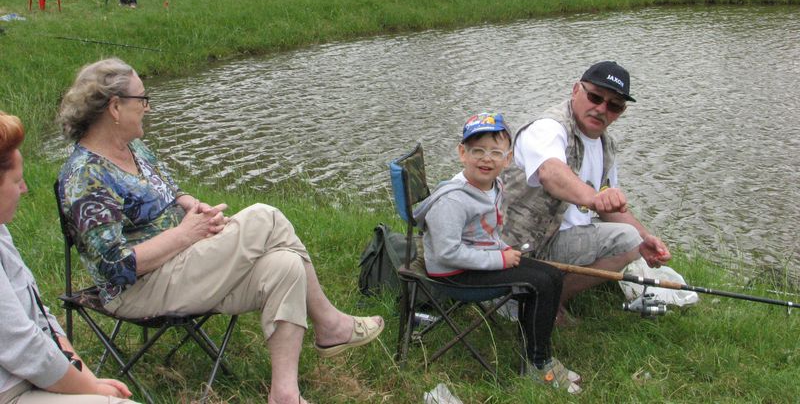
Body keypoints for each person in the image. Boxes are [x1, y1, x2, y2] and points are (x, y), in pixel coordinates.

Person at [55, 59, 384, 404]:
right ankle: (329, 324)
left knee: (285, 265)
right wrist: (187, 234)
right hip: (138, 289)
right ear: (115, 107)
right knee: (265, 217)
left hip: (183, 266)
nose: (148, 107)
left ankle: (285, 394)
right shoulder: (85, 176)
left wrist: (195, 208)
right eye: (142, 99)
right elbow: (115, 267)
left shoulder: (134, 148)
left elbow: (170, 190)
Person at [413, 113, 581, 394]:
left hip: (476, 261)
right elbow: (446, 253)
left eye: (495, 152)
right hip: (454, 275)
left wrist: (502, 249)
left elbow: (485, 234)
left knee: (552, 276)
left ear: (508, 158)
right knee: (538, 284)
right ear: (462, 154)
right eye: (477, 151)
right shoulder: (453, 200)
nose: (486, 159)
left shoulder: (494, 186)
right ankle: (538, 366)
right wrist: (498, 259)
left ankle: (538, 356)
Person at [500, 61, 671, 324]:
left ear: (621, 111)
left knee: (633, 239)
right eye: (595, 97)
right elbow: (550, 173)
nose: (601, 109)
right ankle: (542, 305)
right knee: (626, 239)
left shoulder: (606, 145)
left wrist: (646, 238)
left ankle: (548, 299)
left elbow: (609, 208)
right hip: (523, 245)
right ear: (576, 90)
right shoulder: (549, 127)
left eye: (613, 105)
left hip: (559, 238)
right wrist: (594, 198)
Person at [0, 111, 139, 404]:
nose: (24, 189)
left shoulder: (1, 230)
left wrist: (85, 378)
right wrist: (92, 389)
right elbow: (22, 345)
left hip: (28, 380)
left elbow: (40, 316)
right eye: (17, 180)